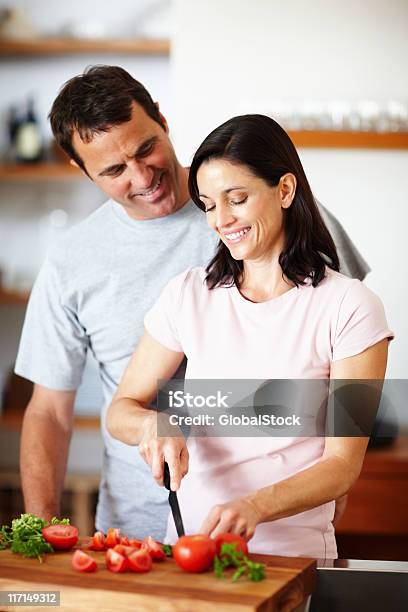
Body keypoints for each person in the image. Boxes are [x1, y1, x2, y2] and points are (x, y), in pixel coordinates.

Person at [16, 65, 368, 541]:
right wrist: (41, 535)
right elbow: (50, 412)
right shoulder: (73, 263)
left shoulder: (277, 212)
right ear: (82, 172)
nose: (142, 176)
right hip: (140, 524)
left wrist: (324, 485)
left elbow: (346, 351)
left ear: (162, 119)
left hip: (279, 521)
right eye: (115, 170)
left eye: (145, 148)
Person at [106, 114, 393, 558]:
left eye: (236, 198)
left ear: (284, 190)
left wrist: (255, 507)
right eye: (208, 204)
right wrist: (153, 423)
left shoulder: (350, 307)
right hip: (188, 550)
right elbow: (121, 409)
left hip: (291, 557)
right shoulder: (187, 295)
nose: (221, 220)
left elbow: (342, 465)